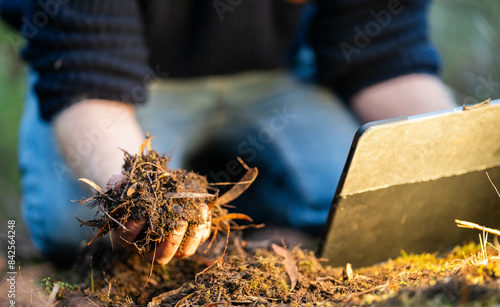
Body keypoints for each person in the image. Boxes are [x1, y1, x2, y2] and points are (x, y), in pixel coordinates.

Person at [16, 0, 455, 265]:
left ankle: (228, 188)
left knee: (379, 198)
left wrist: (467, 150)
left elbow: (385, 59)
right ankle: (201, 187)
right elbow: (88, 80)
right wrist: (139, 194)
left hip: (278, 74)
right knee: (75, 228)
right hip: (125, 84)